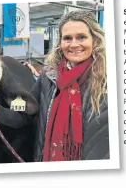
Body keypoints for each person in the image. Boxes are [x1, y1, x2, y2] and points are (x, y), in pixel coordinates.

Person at [31, 10, 108, 162]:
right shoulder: (48, 77)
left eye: (81, 37)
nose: (74, 44)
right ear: (60, 43)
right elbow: (27, 114)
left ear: (94, 39)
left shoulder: (108, 79)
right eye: (67, 38)